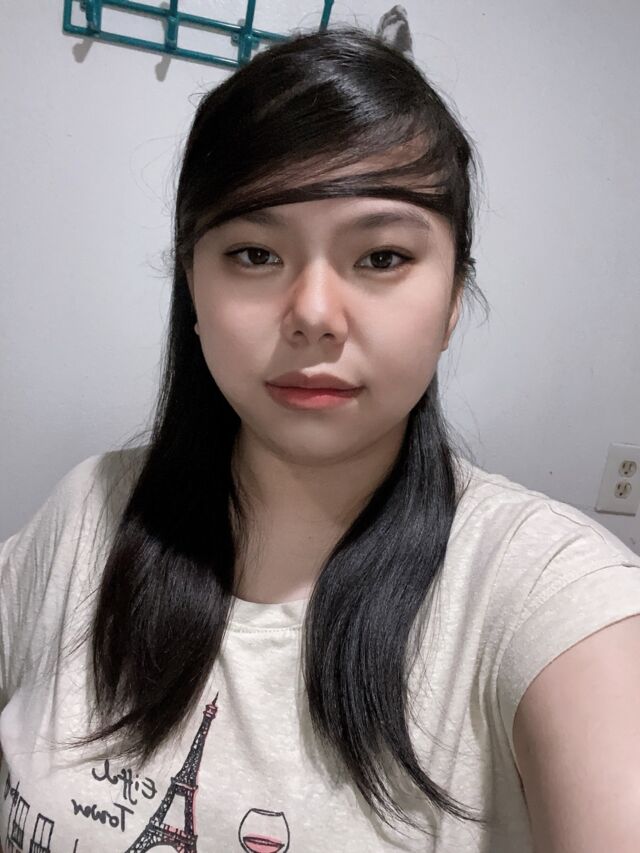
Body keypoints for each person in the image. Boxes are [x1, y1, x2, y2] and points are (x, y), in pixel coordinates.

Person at [1, 24, 639, 853]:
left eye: (380, 257)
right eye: (254, 253)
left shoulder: (545, 589)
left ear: (454, 297)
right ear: (192, 284)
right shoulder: (88, 514)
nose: (312, 313)